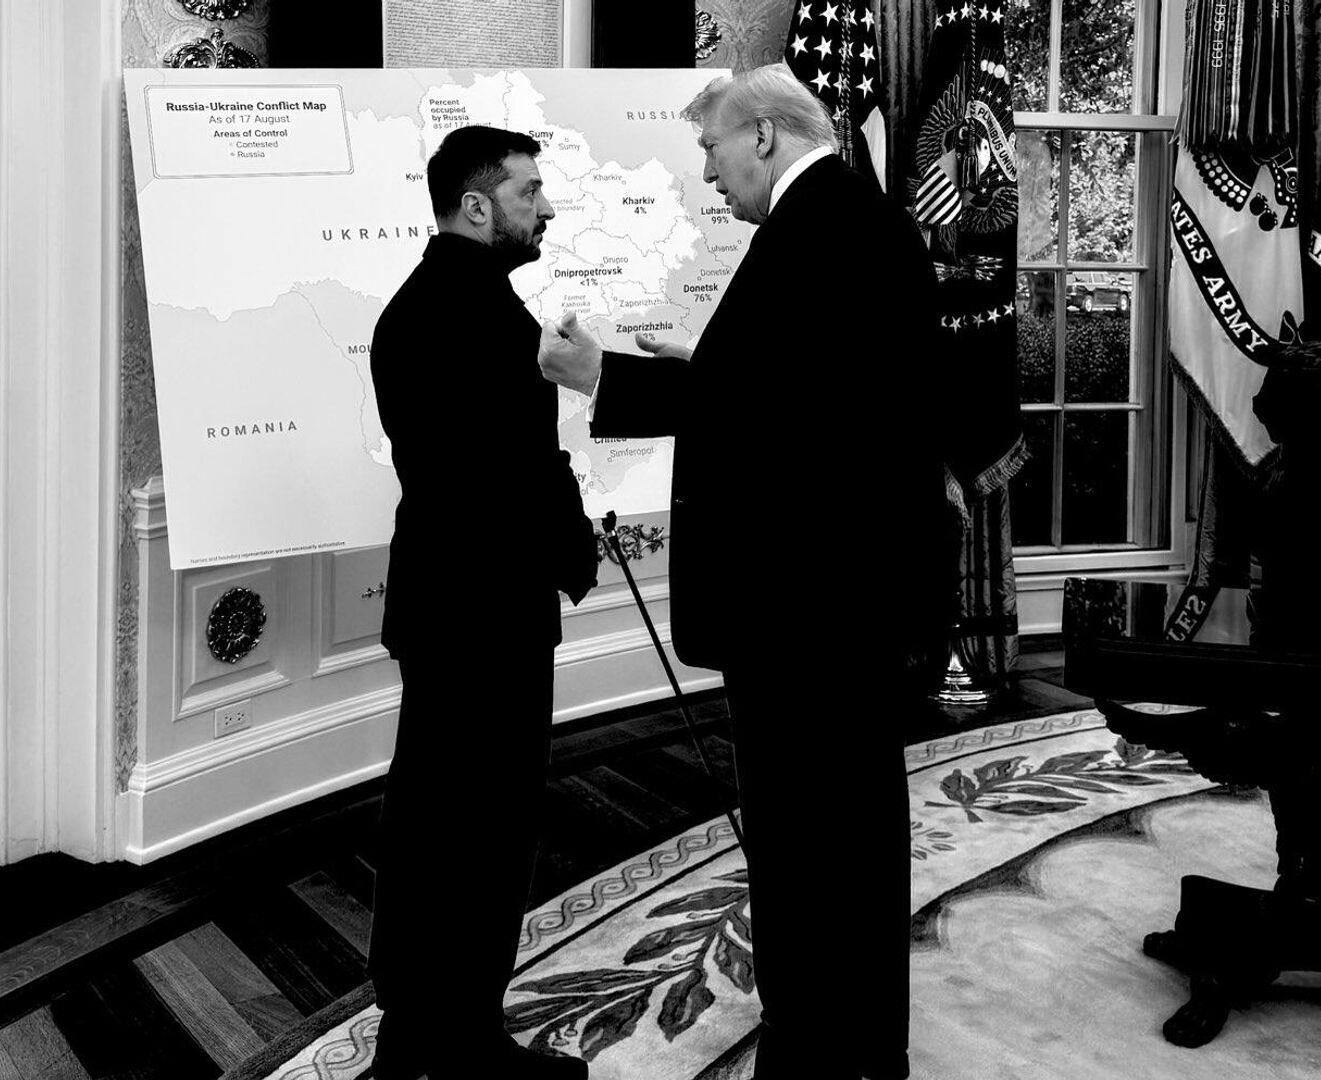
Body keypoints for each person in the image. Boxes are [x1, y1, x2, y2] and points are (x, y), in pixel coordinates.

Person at [537, 64, 955, 1080]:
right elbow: (811, 395)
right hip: (838, 599)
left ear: (762, 135)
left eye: (712, 150)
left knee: (811, 840)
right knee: (845, 833)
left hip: (807, 608)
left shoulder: (820, 228)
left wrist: (600, 376)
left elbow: (785, 412)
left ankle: (819, 1049)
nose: (708, 176)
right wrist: (705, 366)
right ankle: (856, 1042)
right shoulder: (848, 220)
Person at [364, 125, 597, 1080]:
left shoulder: (418, 306)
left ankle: (416, 1037)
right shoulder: (485, 320)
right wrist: (574, 544)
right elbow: (510, 472)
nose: (546, 207)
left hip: (444, 601)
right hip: (488, 611)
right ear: (475, 205)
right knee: (485, 832)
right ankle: (462, 1048)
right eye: (528, 191)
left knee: (433, 819)